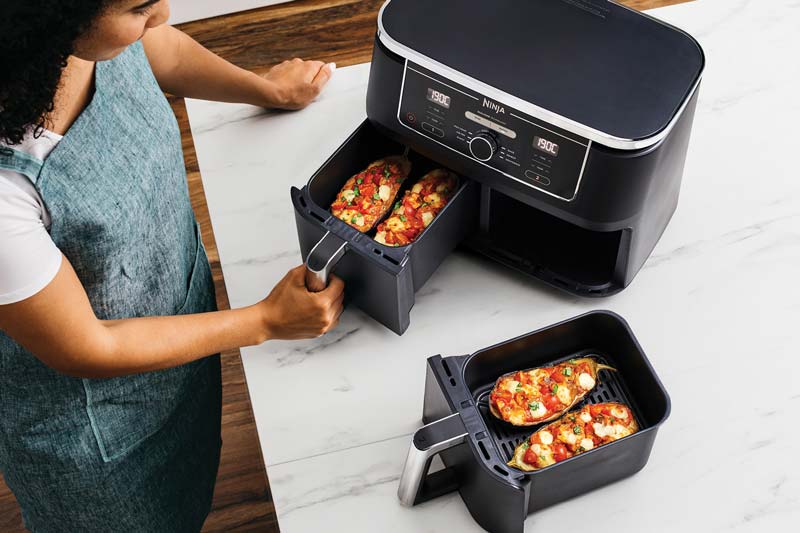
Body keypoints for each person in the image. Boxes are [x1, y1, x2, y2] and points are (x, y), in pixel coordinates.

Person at [0, 1, 345, 531]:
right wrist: (264, 322)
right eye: (140, 7)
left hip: (175, 343)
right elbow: (85, 346)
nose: (162, 14)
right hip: (95, 433)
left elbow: (155, 50)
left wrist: (265, 89)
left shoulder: (89, 41)